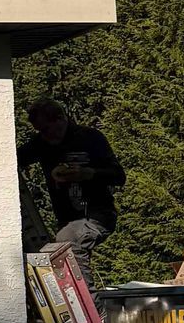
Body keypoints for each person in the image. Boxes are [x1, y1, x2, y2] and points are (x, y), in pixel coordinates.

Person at [17, 99, 124, 277]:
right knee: (60, 249)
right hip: (66, 220)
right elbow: (10, 158)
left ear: (60, 119)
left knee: (68, 241)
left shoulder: (90, 138)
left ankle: (86, 302)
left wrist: (89, 173)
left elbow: (119, 176)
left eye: (46, 129)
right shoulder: (41, 144)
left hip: (98, 215)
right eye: (39, 131)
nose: (44, 135)